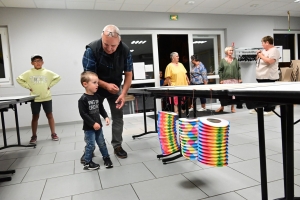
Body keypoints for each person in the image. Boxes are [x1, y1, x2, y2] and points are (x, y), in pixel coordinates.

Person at [82, 24, 133, 159]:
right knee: (91, 118)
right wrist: (105, 85)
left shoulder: (125, 51)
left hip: (115, 88)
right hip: (95, 87)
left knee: (118, 117)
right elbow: (88, 76)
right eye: (106, 45)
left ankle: (117, 145)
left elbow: (128, 74)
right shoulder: (91, 49)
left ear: (119, 41)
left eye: (113, 46)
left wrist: (123, 94)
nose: (110, 49)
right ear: (101, 38)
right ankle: (90, 148)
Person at [16, 54, 61, 144]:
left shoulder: (47, 72)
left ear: (42, 62)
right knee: (35, 116)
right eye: (35, 61)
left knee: (50, 115)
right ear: (32, 63)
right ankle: (34, 135)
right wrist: (28, 86)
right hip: (35, 98)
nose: (38, 63)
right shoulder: (28, 73)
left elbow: (58, 77)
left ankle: (53, 133)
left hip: (46, 97)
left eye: (39, 61)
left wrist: (50, 85)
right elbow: (19, 79)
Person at [78, 71, 113, 170]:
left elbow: (100, 108)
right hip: (89, 128)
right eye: (94, 82)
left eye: (97, 82)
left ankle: (106, 158)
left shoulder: (97, 96)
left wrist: (106, 116)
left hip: (99, 127)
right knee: (91, 145)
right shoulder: (83, 99)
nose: (97, 85)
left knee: (102, 143)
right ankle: (87, 163)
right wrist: (93, 123)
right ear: (85, 84)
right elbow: (83, 114)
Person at [249, 36, 280, 116]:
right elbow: (259, 59)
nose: (262, 45)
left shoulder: (274, 51)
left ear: (267, 42)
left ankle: (270, 109)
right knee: (261, 94)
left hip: (268, 77)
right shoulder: (265, 50)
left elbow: (270, 61)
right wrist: (258, 54)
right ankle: (259, 108)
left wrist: (260, 55)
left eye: (262, 43)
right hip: (261, 76)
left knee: (269, 94)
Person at [215, 46, 242, 113]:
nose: (231, 52)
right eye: (230, 50)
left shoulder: (235, 60)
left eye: (232, 50)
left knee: (233, 95)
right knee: (224, 94)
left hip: (234, 80)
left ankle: (232, 107)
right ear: (226, 51)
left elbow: (238, 69)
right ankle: (222, 107)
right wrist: (221, 79)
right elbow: (220, 70)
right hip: (225, 80)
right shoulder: (223, 60)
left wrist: (239, 78)